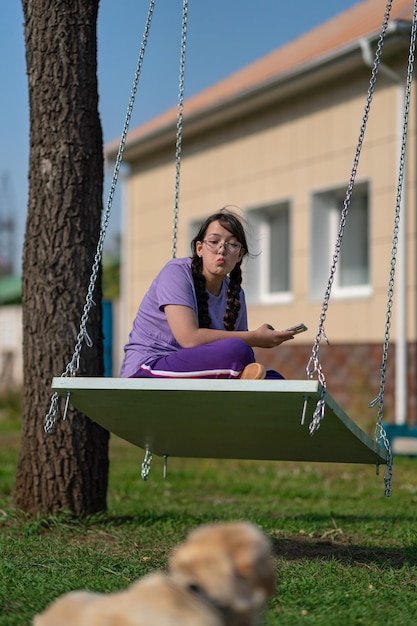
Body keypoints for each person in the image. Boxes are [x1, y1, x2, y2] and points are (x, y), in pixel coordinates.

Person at [120, 208, 296, 380]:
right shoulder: (176, 272)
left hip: (195, 371)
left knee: (275, 379)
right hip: (147, 370)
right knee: (238, 350)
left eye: (232, 244)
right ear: (199, 248)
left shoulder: (235, 294)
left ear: (240, 254)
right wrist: (255, 337)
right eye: (214, 241)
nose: (222, 249)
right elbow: (189, 339)